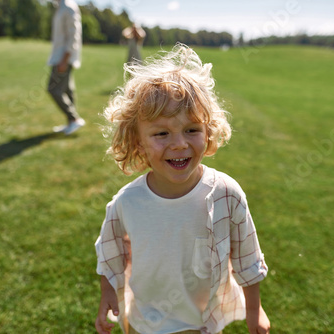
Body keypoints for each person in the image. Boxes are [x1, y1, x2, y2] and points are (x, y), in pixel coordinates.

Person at [95, 44, 270, 334]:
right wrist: (107, 295)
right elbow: (109, 252)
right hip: (143, 321)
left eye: (191, 130)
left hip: (200, 323)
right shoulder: (128, 202)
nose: (179, 144)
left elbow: (247, 256)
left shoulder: (226, 193)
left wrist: (255, 309)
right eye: (162, 133)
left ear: (208, 130)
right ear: (138, 141)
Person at [47, 0, 85, 135]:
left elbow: (73, 35)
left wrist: (64, 59)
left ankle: (74, 119)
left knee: (53, 89)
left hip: (63, 57)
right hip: (60, 56)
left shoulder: (68, 7)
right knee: (67, 90)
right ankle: (71, 122)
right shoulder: (60, 6)